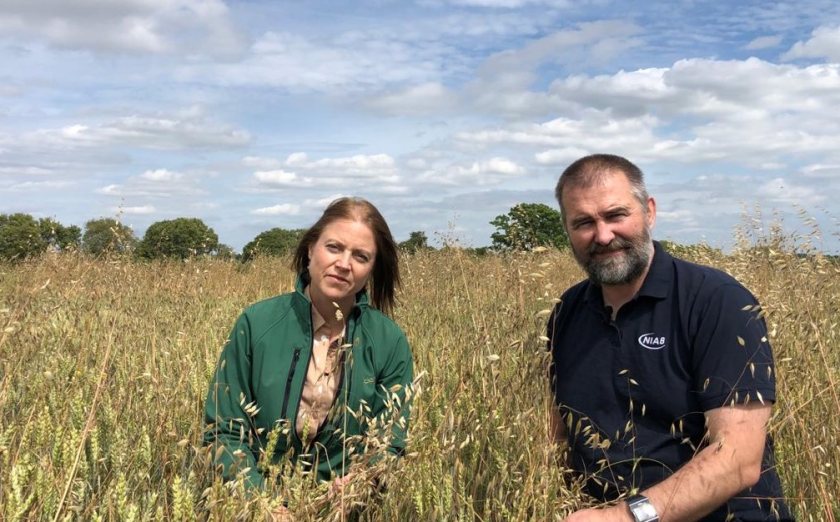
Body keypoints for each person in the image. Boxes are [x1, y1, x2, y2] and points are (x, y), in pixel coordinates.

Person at [547, 154, 792, 521]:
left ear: (649, 211)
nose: (603, 235)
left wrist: (623, 517)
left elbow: (738, 459)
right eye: (583, 223)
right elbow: (557, 436)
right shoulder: (567, 310)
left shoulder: (716, 301)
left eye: (616, 215)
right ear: (566, 229)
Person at [204, 197, 414, 510]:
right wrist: (263, 504)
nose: (344, 264)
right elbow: (223, 432)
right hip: (254, 506)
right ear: (309, 250)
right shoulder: (257, 323)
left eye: (360, 256)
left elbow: (390, 442)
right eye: (334, 247)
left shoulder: (388, 342)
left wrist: (358, 484)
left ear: (371, 269)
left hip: (342, 510)